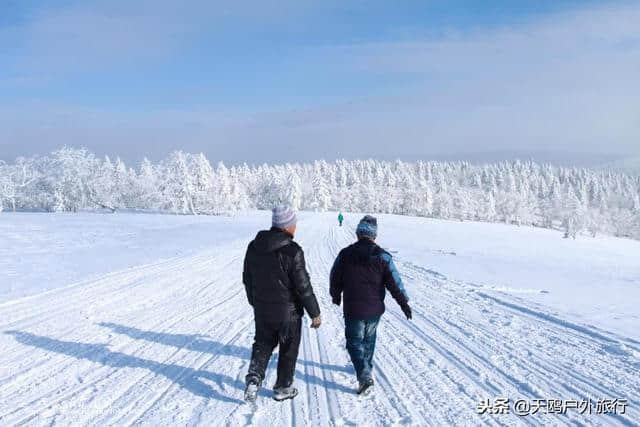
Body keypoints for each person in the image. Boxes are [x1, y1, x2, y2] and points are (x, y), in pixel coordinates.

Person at [242, 205, 322, 402]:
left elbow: (247, 278)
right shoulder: (293, 251)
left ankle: (254, 377)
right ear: (287, 226)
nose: (295, 228)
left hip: (262, 309)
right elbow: (303, 286)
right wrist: (315, 313)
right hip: (289, 313)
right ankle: (283, 387)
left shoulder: (254, 247)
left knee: (263, 343)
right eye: (293, 224)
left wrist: (255, 302)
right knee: (288, 348)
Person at [329, 215, 411, 395]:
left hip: (353, 308)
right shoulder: (383, 256)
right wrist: (403, 302)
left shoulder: (345, 254)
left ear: (358, 233)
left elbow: (335, 276)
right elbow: (395, 283)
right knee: (368, 339)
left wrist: (336, 294)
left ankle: (364, 373)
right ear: (374, 236)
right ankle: (366, 367)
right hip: (374, 309)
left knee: (353, 342)